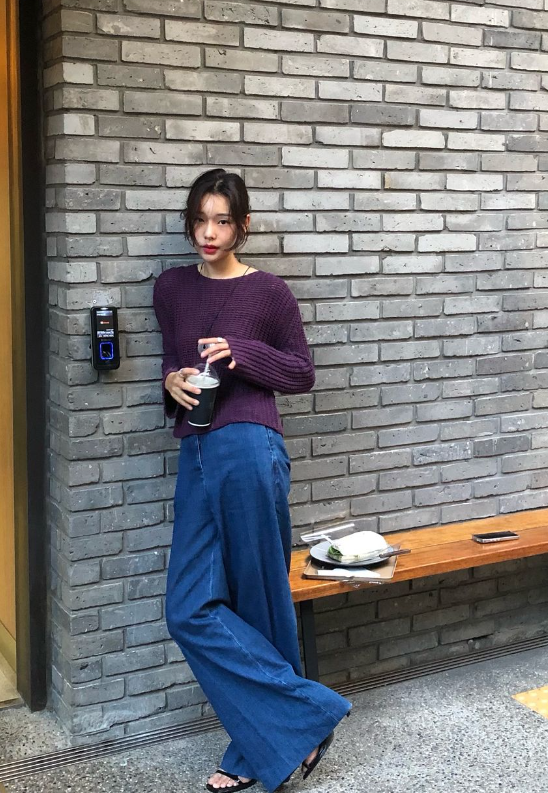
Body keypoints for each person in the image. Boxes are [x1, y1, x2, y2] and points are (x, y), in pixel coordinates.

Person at [153, 169, 351, 792]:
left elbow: (301, 372)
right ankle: (307, 715)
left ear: (242, 225)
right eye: (200, 220)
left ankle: (257, 752)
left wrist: (242, 353)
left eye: (222, 221)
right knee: (188, 609)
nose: (208, 233)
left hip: (248, 445)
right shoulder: (171, 288)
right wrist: (170, 382)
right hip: (196, 449)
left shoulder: (269, 292)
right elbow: (173, 361)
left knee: (260, 597)